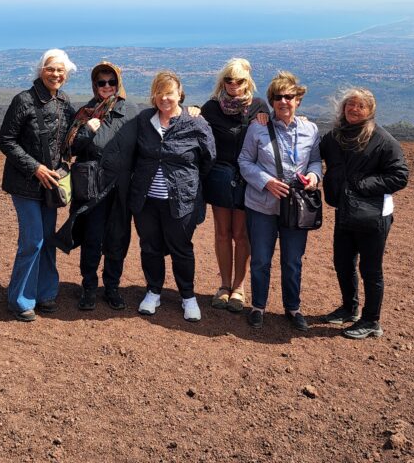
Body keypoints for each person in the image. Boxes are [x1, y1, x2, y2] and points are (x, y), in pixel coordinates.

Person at [105, 70, 215, 322]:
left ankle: (188, 297)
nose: (165, 98)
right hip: (146, 200)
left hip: (181, 200)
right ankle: (153, 291)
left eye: (170, 93)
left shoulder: (195, 122)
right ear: (153, 96)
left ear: (180, 94)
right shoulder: (145, 120)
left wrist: (187, 181)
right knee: (150, 247)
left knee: (181, 249)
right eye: (160, 93)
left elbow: (208, 159)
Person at [318, 88, 409, 339]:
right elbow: (314, 150)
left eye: (360, 106)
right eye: (350, 105)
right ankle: (349, 308)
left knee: (371, 268)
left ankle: (371, 320)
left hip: (373, 215)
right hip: (345, 212)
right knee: (343, 262)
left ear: (370, 111)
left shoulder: (382, 140)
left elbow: (399, 176)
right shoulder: (336, 137)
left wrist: (360, 185)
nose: (354, 110)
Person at [238, 71, 323, 331]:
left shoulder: (311, 129)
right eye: (278, 97)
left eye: (289, 97)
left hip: (295, 207)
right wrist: (266, 181)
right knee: (261, 259)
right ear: (272, 101)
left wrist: (313, 175)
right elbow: (244, 161)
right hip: (262, 205)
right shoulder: (258, 127)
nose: (283, 102)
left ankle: (293, 307)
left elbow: (315, 161)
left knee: (292, 260)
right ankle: (258, 306)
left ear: (298, 100)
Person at [0, 49, 77, 322]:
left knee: (47, 240)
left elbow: (70, 138)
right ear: (41, 70)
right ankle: (20, 300)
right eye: (51, 69)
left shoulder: (65, 102)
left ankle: (46, 294)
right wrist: (35, 168)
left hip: (50, 185)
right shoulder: (23, 100)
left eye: (61, 70)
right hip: (25, 184)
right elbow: (6, 141)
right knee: (33, 240)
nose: (56, 74)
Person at [65, 62, 139, 311]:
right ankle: (88, 287)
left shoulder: (131, 111)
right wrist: (86, 131)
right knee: (92, 238)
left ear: (119, 84)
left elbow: (154, 130)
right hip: (93, 186)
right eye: (101, 82)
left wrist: (191, 109)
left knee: (118, 237)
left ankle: (112, 287)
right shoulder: (86, 112)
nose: (107, 87)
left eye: (111, 82)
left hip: (120, 187)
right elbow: (70, 149)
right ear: (94, 85)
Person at [200, 58, 269, 313]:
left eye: (238, 80)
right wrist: (193, 110)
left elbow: (270, 138)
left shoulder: (259, 107)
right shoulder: (211, 107)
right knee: (222, 233)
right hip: (219, 176)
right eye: (228, 80)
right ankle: (224, 286)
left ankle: (239, 288)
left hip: (246, 177)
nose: (233, 85)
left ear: (247, 81)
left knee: (241, 235)